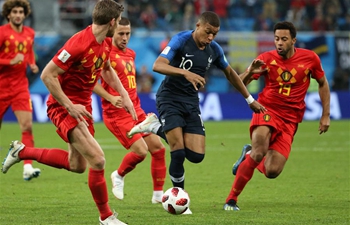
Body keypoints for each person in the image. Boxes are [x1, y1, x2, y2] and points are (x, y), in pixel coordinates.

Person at [1, 1, 136, 224]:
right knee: (98, 160)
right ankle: (107, 217)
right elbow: (47, 75)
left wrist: (124, 95)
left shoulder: (106, 42)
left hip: (83, 107)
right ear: (112, 22)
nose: (120, 27)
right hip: (63, 106)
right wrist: (70, 106)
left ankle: (22, 152)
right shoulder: (78, 44)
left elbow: (107, 69)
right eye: (119, 22)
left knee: (77, 166)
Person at [128, 11, 267, 214]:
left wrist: (250, 99)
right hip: (169, 98)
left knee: (196, 155)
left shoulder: (214, 50)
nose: (210, 37)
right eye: (208, 32)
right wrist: (186, 73)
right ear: (198, 26)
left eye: (215, 34)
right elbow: (157, 65)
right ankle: (180, 199)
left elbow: (230, 74)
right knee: (178, 152)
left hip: (191, 102)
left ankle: (155, 127)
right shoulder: (181, 40)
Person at [223, 21, 330, 211]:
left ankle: (247, 155)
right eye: (276, 39)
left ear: (293, 40)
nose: (279, 43)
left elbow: (322, 83)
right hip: (266, 110)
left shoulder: (310, 58)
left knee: (272, 171)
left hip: (290, 119)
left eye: (284, 39)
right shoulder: (265, 58)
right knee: (259, 150)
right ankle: (231, 200)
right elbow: (238, 83)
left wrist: (325, 115)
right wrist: (250, 73)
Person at [93, 17, 166, 204]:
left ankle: (158, 196)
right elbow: (91, 82)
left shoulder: (131, 54)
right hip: (116, 114)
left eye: (128, 33)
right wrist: (110, 98)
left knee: (158, 148)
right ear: (112, 33)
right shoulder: (105, 53)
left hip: (136, 110)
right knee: (141, 151)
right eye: (121, 34)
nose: (125, 38)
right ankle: (118, 175)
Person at [0, 0, 40, 181]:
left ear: (25, 15)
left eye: (20, 12)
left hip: (20, 87)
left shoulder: (30, 33)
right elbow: (14, 58)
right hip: (1, 86)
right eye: (14, 12)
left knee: (27, 126)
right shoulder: (2, 33)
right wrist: (10, 61)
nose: (18, 15)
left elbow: (29, 51)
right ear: (8, 14)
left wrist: (31, 63)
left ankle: (27, 167)